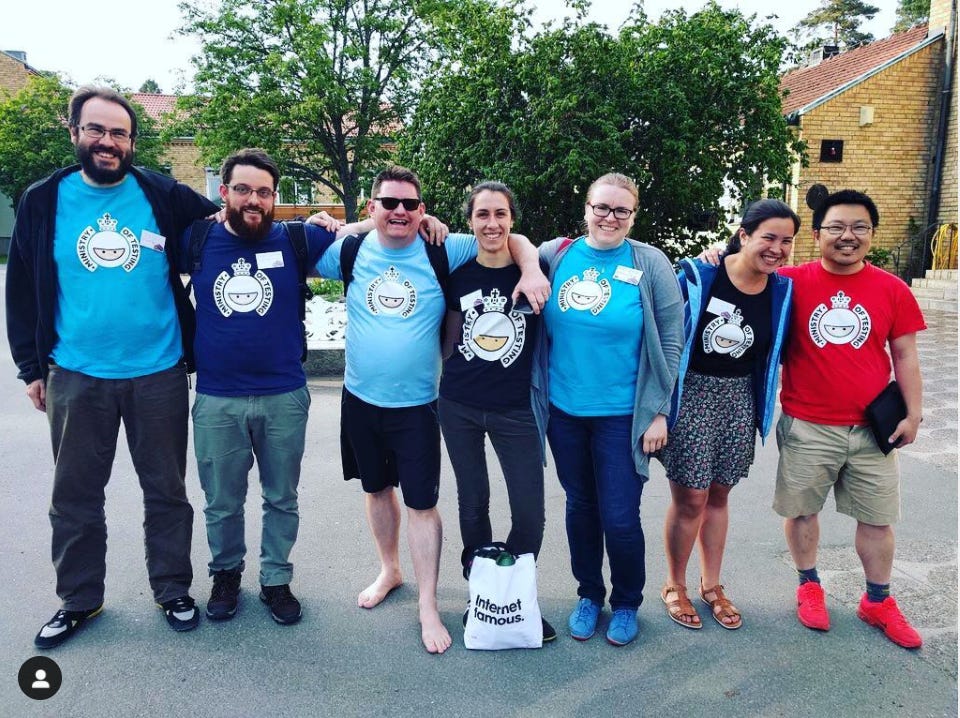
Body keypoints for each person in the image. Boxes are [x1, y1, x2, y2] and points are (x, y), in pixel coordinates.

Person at [6, 86, 219, 648]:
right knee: (75, 496)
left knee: (166, 491)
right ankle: (79, 600)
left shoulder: (160, 192)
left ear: (131, 141)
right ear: (74, 131)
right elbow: (22, 287)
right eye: (96, 130)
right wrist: (31, 367)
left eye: (119, 133)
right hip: (76, 373)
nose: (108, 141)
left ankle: (172, 588)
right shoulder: (43, 200)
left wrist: (328, 227)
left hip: (158, 372)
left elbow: (230, 223)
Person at [316, 166, 549, 654]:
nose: (399, 211)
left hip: (420, 403)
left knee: (422, 504)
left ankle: (429, 603)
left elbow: (508, 237)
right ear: (373, 207)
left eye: (409, 204)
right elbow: (292, 248)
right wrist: (344, 225)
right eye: (389, 203)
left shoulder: (445, 247)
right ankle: (390, 570)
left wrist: (530, 269)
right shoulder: (350, 251)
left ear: (423, 211)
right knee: (377, 490)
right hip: (359, 399)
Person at [181, 148, 345, 626]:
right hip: (217, 397)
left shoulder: (295, 238)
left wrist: (334, 220)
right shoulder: (196, 238)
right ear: (224, 192)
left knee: (281, 498)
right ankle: (225, 575)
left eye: (264, 192)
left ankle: (276, 580)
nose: (254, 200)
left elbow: (364, 228)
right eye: (243, 190)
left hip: (283, 394)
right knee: (221, 502)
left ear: (274, 196)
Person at [535, 172, 684, 646]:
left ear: (633, 215)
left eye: (622, 210)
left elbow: (672, 340)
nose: (610, 217)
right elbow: (506, 249)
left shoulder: (650, 262)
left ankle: (625, 602)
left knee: (619, 516)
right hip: (564, 411)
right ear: (586, 209)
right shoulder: (555, 255)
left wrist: (659, 411)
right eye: (601, 207)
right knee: (580, 507)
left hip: (624, 415)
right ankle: (588, 595)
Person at [774, 190, 925, 648]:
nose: (848, 236)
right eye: (837, 227)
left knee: (878, 519)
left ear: (872, 234)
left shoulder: (892, 289)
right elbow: (740, 277)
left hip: (872, 430)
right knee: (803, 511)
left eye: (860, 227)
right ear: (817, 233)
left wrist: (914, 414)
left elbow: (906, 355)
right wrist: (717, 255)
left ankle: (877, 600)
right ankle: (809, 585)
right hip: (807, 424)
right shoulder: (787, 282)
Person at [659, 199, 797, 631]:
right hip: (693, 393)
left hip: (740, 399)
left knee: (719, 495)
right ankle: (674, 584)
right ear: (744, 235)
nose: (777, 248)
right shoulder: (699, 275)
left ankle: (712, 584)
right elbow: (661, 333)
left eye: (787, 241)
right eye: (768, 237)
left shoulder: (782, 290)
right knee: (692, 497)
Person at [437, 182, 554, 643]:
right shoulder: (459, 275)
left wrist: (530, 265)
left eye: (500, 214)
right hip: (459, 406)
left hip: (516, 410)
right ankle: (482, 595)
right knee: (473, 502)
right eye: (482, 214)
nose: (492, 223)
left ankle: (514, 595)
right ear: (470, 222)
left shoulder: (535, 272)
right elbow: (449, 340)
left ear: (511, 219)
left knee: (530, 513)